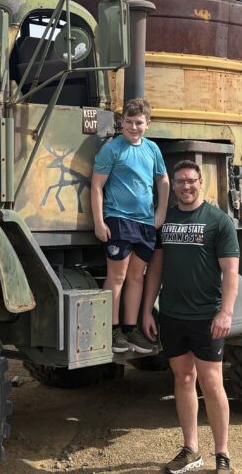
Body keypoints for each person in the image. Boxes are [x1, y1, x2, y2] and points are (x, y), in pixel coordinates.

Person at [141, 159, 240, 474]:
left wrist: (225, 313)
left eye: (191, 181)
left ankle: (222, 454)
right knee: (183, 379)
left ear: (201, 183)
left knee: (212, 383)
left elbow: (231, 272)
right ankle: (190, 450)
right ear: (174, 186)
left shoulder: (218, 221)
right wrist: (147, 310)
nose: (186, 186)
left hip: (206, 317)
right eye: (180, 181)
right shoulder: (165, 222)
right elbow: (155, 269)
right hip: (171, 314)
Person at [91, 98, 169, 354]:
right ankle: (111, 330)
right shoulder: (112, 149)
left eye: (138, 123)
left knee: (137, 277)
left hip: (145, 223)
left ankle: (130, 329)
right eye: (128, 122)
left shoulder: (152, 150)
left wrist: (160, 212)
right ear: (121, 122)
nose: (133, 127)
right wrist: (99, 221)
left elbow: (164, 181)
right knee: (118, 276)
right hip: (119, 220)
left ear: (148, 124)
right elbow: (97, 186)